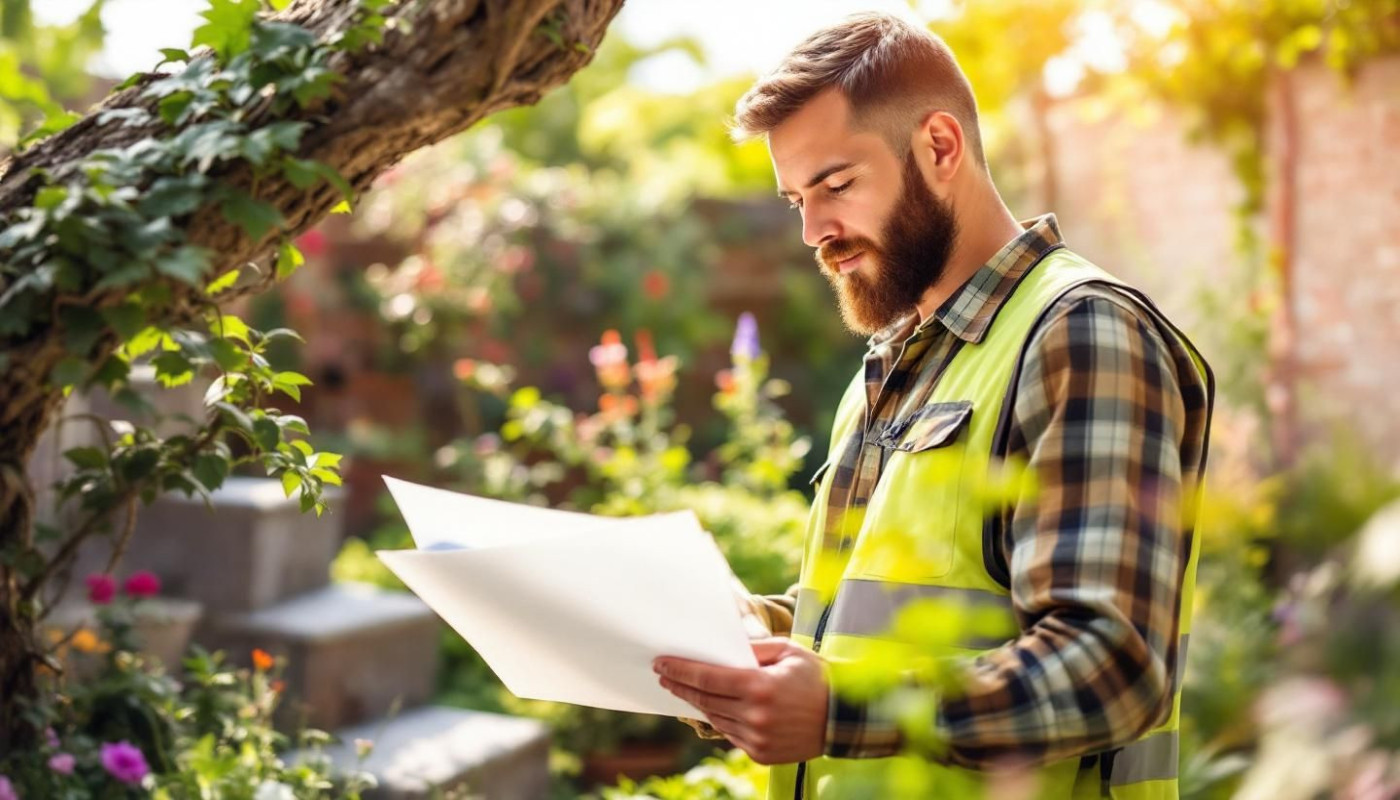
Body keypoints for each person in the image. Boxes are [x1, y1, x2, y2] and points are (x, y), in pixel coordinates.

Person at [652, 11, 1215, 800]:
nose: (814, 230)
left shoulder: (1083, 335)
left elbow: (1111, 665)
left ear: (940, 147)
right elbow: (870, 623)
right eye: (794, 201)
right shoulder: (893, 362)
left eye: (836, 184)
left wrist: (840, 708)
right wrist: (751, 643)